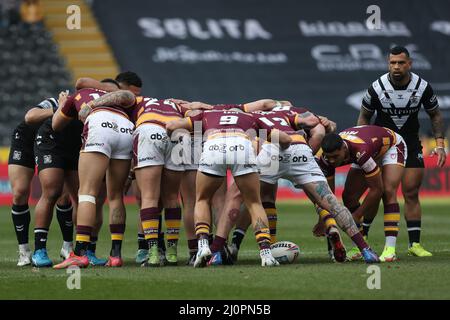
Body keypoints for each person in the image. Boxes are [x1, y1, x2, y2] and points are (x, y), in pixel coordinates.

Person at [167, 107, 292, 267]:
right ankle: (266, 253)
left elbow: (171, 126)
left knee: (202, 199)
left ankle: (203, 245)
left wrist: (174, 136)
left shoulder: (206, 114)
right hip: (242, 146)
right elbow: (285, 139)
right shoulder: (251, 117)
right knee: (254, 203)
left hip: (214, 146)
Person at [356, 46, 447, 257]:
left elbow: (435, 115)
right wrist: (363, 144)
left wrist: (440, 144)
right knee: (379, 192)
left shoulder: (422, 87)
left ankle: (414, 244)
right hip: (383, 146)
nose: (396, 66)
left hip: (411, 144)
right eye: (392, 62)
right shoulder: (377, 88)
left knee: (411, 193)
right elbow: (364, 117)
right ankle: (364, 239)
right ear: (388, 64)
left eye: (401, 62)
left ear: (409, 64)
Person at [52, 88, 136, 269]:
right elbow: (128, 96)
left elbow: (56, 125)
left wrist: (62, 106)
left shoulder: (77, 95)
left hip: (99, 123)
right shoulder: (111, 93)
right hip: (125, 127)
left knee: (87, 193)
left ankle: (80, 253)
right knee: (115, 196)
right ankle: (115, 255)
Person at [320, 125, 407, 262]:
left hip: (391, 146)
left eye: (335, 157)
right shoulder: (325, 158)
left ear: (343, 148)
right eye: (328, 157)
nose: (332, 161)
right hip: (370, 147)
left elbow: (376, 189)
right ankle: (360, 245)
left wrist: (357, 215)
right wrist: (325, 219)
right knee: (348, 196)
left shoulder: (360, 151)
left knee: (387, 191)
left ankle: (390, 250)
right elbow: (328, 195)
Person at [8, 97, 74, 266]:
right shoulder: (55, 102)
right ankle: (24, 251)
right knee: (19, 193)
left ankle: (67, 247)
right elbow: (30, 117)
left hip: (52, 143)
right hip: (25, 142)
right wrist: (61, 110)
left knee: (62, 195)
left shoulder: (87, 111)